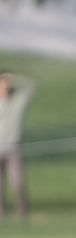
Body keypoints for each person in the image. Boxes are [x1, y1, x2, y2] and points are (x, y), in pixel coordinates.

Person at [0, 70, 37, 224]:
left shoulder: (17, 101)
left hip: (12, 148)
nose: (6, 84)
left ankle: (22, 217)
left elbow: (32, 87)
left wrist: (16, 78)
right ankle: (1, 217)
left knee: (19, 184)